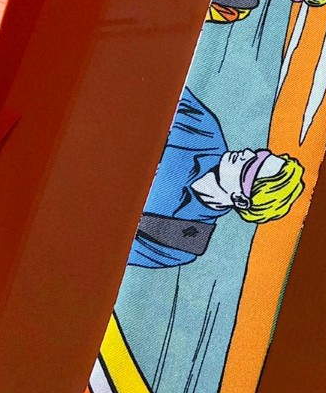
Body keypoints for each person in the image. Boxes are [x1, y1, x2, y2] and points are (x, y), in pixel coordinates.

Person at [129, 87, 305, 269]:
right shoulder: (204, 131)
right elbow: (154, 91)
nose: (247, 153)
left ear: (240, 200)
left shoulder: (180, 244)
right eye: (259, 154)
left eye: (251, 166)